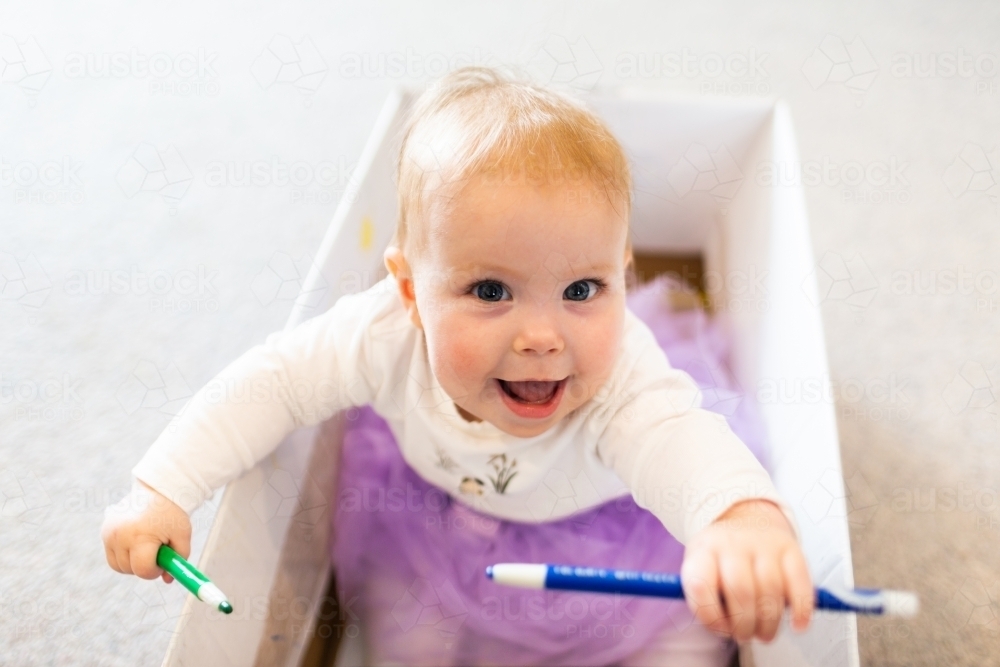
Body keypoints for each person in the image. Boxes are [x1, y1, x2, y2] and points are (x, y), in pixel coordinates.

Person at [102, 66, 813, 666]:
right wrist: (163, 485)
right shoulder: (380, 335)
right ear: (411, 292)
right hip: (438, 521)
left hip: (609, 530)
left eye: (582, 289)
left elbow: (677, 440)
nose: (543, 336)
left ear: (623, 277)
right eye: (490, 291)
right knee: (404, 633)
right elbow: (273, 381)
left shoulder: (622, 370)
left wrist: (738, 517)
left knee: (686, 629)